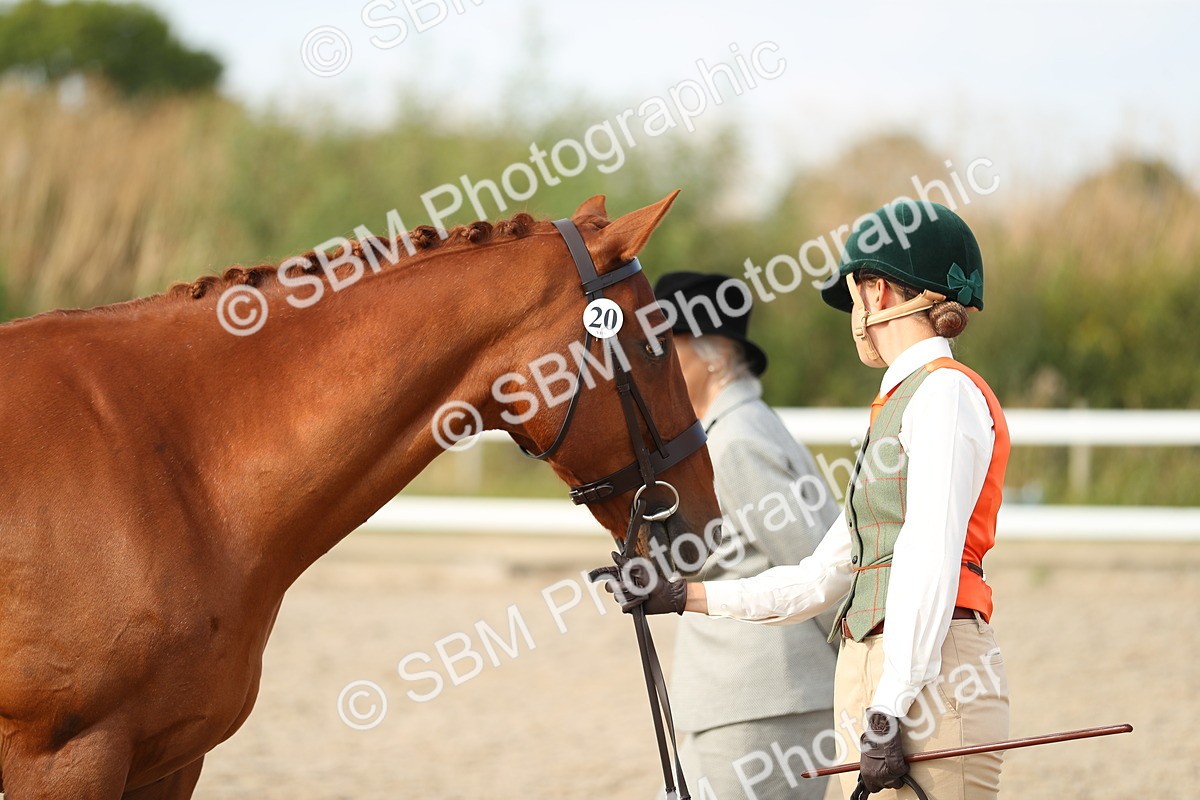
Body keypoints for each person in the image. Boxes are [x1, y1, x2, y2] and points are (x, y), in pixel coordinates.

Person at [603, 202, 1010, 800]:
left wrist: (888, 707)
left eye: (854, 296)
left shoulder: (944, 394)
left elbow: (929, 560)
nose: (854, 316)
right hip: (877, 674)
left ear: (876, 292)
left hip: (930, 673)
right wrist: (681, 595)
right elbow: (820, 576)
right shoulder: (895, 405)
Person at [651, 271, 840, 800]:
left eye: (667, 349)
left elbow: (816, 568)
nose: (656, 366)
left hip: (762, 706)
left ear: (714, 355)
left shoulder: (733, 443)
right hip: (742, 702)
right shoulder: (739, 428)